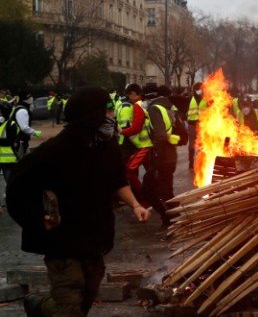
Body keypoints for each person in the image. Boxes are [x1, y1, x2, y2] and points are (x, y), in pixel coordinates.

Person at [6, 86, 151, 317]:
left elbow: (117, 180)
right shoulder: (55, 152)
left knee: (85, 298)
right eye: (106, 112)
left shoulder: (107, 147)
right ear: (90, 116)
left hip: (94, 238)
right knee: (69, 307)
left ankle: (39, 306)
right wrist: (36, 220)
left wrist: (136, 205)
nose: (111, 118)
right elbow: (16, 188)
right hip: (63, 242)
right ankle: (45, 306)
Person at [146, 85, 179, 227]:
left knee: (148, 189)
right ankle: (174, 218)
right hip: (171, 155)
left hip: (162, 157)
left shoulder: (154, 109)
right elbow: (182, 136)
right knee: (166, 190)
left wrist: (157, 153)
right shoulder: (169, 108)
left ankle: (170, 220)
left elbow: (159, 135)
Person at [119, 84, 154, 205]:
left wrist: (122, 131)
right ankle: (153, 196)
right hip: (149, 144)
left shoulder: (137, 106)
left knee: (130, 170)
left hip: (144, 145)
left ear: (134, 93)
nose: (129, 98)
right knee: (151, 172)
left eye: (129, 95)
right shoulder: (145, 104)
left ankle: (143, 198)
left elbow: (136, 127)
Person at [11, 91, 42, 157]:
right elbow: (24, 127)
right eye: (30, 97)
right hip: (20, 141)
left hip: (21, 140)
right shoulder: (22, 110)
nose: (31, 99)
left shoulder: (19, 108)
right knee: (20, 160)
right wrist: (34, 132)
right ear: (26, 99)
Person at [186, 82, 206, 170]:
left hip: (202, 124)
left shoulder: (206, 99)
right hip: (192, 124)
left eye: (200, 89)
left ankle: (202, 162)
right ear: (194, 90)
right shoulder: (190, 99)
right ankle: (191, 162)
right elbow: (185, 109)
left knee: (202, 144)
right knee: (191, 145)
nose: (199, 91)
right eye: (197, 89)